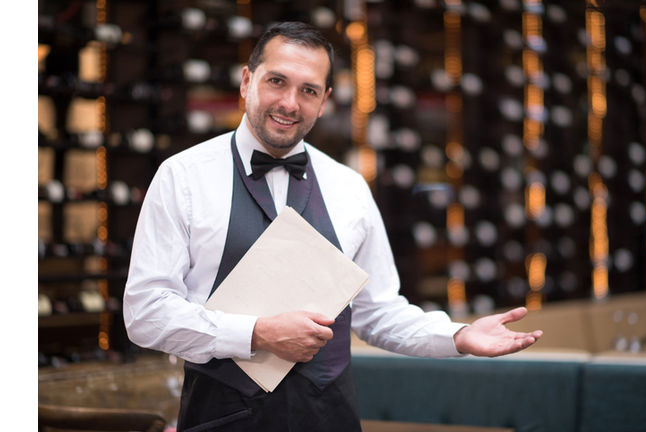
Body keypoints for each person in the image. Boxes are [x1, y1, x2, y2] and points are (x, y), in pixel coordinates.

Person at [123, 21, 542, 432]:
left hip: (329, 416)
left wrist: (459, 336)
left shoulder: (350, 187)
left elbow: (379, 313)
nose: (290, 102)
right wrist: (257, 333)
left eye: (307, 91)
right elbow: (145, 313)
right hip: (222, 416)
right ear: (246, 81)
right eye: (276, 82)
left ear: (324, 101)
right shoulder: (183, 176)